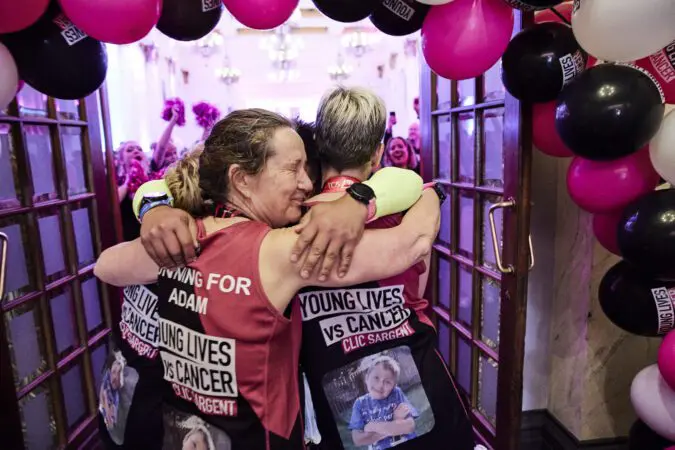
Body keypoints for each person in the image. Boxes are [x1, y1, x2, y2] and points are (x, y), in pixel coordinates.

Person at [94, 108, 441, 449]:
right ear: (242, 180)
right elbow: (408, 245)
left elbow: (105, 266)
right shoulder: (276, 252)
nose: (306, 183)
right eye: (293, 169)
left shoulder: (177, 239)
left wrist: (154, 207)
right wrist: (431, 193)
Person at [349, 356, 417, 449]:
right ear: (367, 379)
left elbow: (409, 426)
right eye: (376, 378)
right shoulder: (359, 403)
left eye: (387, 382)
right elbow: (358, 440)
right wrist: (396, 422)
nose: (380, 385)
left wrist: (372, 427)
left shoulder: (396, 393)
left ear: (393, 386)